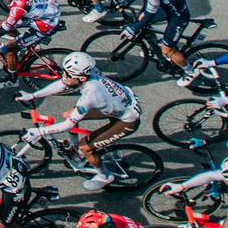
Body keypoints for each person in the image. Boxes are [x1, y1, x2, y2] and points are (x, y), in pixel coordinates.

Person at [20, 52, 142, 191]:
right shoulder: (88, 72)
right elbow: (62, 84)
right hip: (119, 103)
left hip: (127, 120)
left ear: (82, 77)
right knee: (68, 114)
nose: (64, 77)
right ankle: (74, 148)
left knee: (86, 147)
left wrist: (39, 131)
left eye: (68, 75)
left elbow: (68, 125)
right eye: (65, 72)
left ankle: (104, 175)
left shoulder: (90, 95)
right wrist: (33, 96)